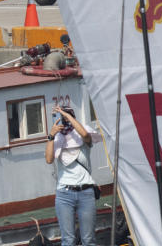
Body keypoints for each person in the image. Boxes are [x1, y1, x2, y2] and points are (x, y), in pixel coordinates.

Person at [46, 105, 101, 246]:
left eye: (66, 118)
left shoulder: (83, 139)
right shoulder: (58, 140)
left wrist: (68, 117)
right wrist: (51, 136)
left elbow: (85, 135)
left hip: (86, 192)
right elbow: (49, 159)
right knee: (68, 240)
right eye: (61, 119)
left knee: (88, 240)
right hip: (64, 194)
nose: (64, 122)